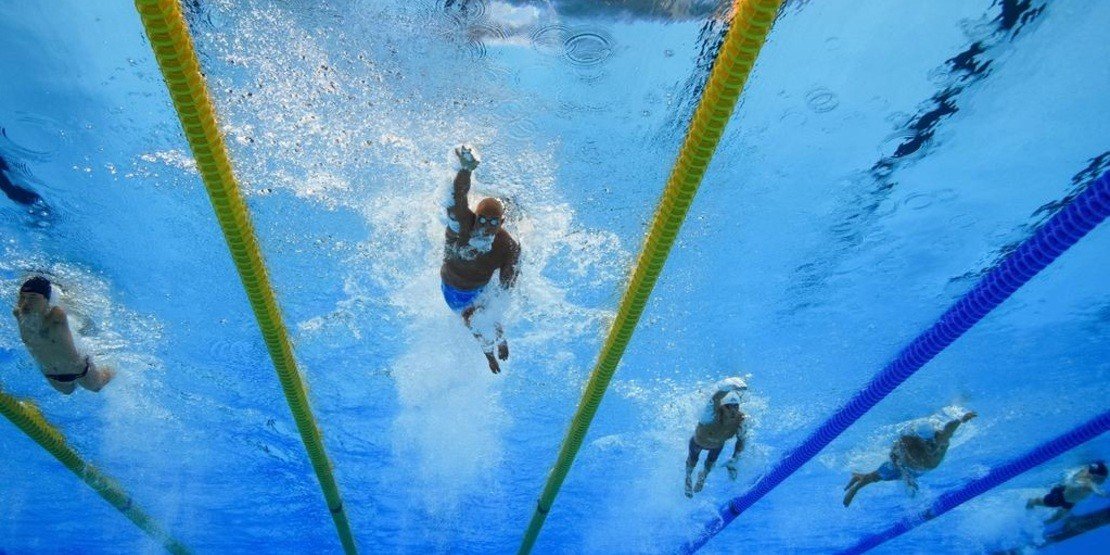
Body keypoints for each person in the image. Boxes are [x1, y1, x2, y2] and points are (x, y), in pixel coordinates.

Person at [440, 145, 520, 374]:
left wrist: (513, 270)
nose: (486, 227)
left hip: (479, 290)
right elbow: (457, 197)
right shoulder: (463, 226)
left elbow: (506, 288)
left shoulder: (507, 246)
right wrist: (465, 170)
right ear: (475, 217)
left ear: (502, 225)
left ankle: (501, 340)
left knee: (489, 314)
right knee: (475, 323)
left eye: (494, 223)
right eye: (483, 220)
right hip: (454, 293)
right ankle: (489, 356)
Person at [843, 410, 977, 507]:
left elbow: (950, 428)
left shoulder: (939, 439)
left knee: (884, 474)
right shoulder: (909, 441)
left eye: (930, 442)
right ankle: (857, 486)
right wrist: (904, 473)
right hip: (907, 466)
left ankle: (859, 479)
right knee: (882, 473)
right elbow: (894, 455)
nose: (929, 446)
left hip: (919, 468)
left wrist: (962, 419)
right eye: (925, 442)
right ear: (919, 439)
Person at [13, 276, 114, 394]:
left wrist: (59, 287)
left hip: (80, 370)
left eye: (32, 298)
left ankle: (115, 367)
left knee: (97, 387)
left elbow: (62, 305)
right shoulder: (18, 315)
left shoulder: (56, 315)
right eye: (22, 297)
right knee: (68, 391)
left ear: (46, 300)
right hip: (52, 376)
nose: (25, 303)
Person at [685, 377, 748, 498]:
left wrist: (734, 460)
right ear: (721, 407)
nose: (733, 411)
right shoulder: (709, 416)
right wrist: (727, 387)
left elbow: (742, 440)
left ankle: (703, 476)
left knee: (709, 464)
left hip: (717, 446)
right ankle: (687, 478)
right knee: (692, 462)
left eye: (736, 407)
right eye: (729, 407)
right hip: (697, 443)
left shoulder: (741, 420)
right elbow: (714, 400)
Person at [1027, 461, 1107, 522]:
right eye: (1102, 478)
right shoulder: (1088, 483)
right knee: (1038, 502)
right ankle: (1030, 503)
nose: (1103, 480)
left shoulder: (1085, 471)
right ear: (1093, 475)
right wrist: (1104, 494)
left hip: (1070, 500)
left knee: (1058, 517)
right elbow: (1098, 492)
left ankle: (1043, 524)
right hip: (1060, 497)